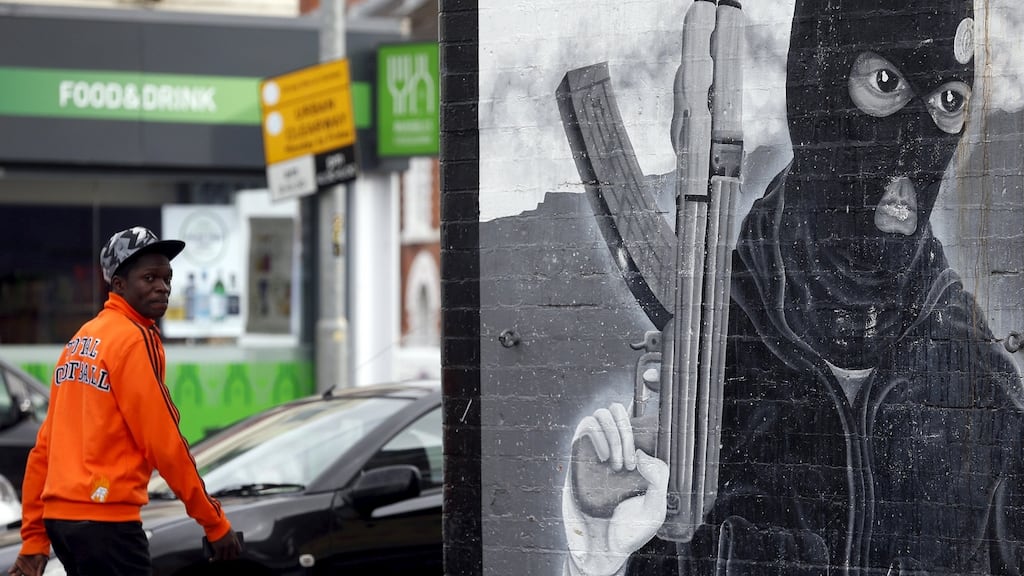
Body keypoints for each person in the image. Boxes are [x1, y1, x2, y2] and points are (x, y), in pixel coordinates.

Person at [564, 0, 1024, 574]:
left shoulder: (982, 387)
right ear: (817, 90)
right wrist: (603, 555)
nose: (915, 143)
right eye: (886, 83)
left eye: (949, 101)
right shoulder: (711, 364)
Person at [8, 227, 241, 576]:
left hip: (64, 522)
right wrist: (214, 521)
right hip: (107, 522)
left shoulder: (79, 341)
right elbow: (164, 442)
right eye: (149, 277)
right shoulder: (134, 339)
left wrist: (35, 539)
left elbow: (45, 447)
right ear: (118, 285)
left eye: (167, 277)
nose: (163, 286)